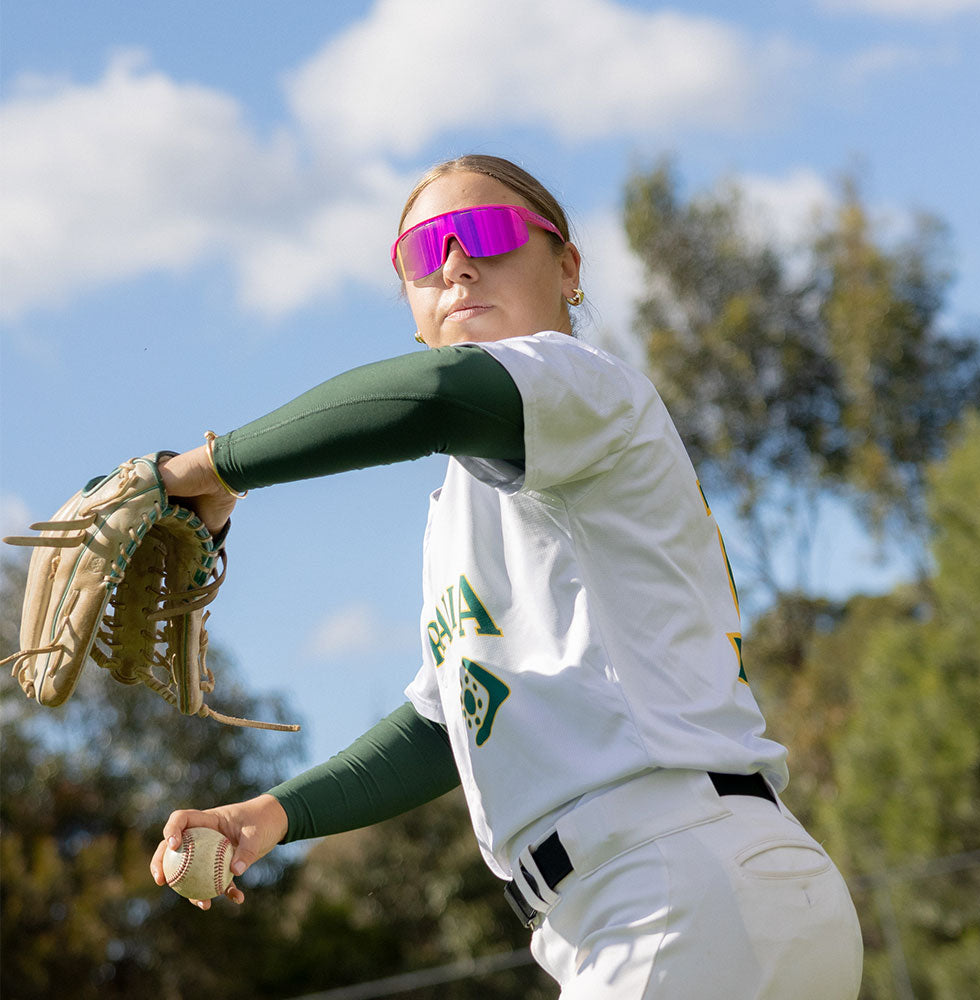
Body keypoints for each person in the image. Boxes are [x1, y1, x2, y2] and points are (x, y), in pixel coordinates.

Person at [149, 154, 863, 999]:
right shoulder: (463, 501)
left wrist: (197, 472)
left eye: (485, 232)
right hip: (663, 900)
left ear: (567, 269)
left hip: (670, 883)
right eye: (423, 251)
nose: (454, 262)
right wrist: (271, 815)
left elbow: (435, 398)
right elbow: (447, 720)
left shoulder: (581, 382)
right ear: (413, 306)